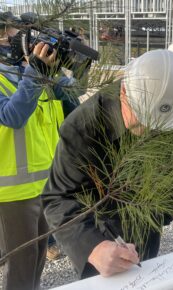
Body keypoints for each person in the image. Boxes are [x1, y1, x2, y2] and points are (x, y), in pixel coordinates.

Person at [42, 49, 173, 278]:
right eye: (141, 119)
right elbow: (57, 198)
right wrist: (93, 246)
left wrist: (158, 215)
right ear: (124, 91)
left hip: (147, 231)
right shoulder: (84, 126)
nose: (149, 130)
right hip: (101, 243)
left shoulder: (168, 116)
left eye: (158, 125)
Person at [0, 15, 80, 290]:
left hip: (43, 184)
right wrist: (34, 69)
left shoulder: (29, 72)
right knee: (21, 265)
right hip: (13, 192)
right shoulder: (11, 76)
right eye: (11, 34)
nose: (14, 40)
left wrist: (60, 69)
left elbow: (72, 104)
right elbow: (13, 116)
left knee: (37, 261)